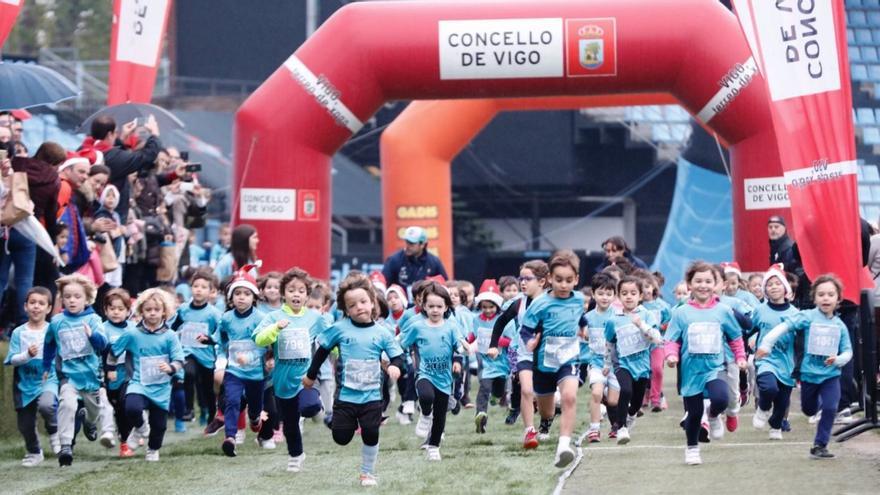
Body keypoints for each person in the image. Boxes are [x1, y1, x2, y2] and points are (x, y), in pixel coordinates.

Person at [303, 272, 405, 487]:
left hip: (372, 397)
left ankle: (367, 473)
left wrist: (395, 366)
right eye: (352, 305)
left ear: (372, 302)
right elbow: (322, 351)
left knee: (370, 433)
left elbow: (397, 355)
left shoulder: (382, 332)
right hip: (346, 396)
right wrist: (311, 376)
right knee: (341, 437)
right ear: (346, 310)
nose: (359, 307)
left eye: (363, 302)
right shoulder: (339, 329)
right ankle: (331, 416)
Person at [756, 275, 853, 460]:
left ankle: (820, 445)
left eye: (830, 294)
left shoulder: (840, 326)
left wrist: (838, 359)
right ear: (814, 298)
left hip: (831, 375)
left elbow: (848, 351)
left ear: (838, 299)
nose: (826, 298)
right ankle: (813, 410)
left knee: (831, 407)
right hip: (809, 375)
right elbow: (784, 326)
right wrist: (767, 344)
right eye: (821, 294)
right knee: (809, 409)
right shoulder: (807, 317)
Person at [665, 261, 747, 465]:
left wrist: (740, 357)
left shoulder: (723, 310)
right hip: (691, 372)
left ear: (716, 284)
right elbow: (672, 339)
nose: (703, 285)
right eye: (698, 281)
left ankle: (713, 415)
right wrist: (671, 356)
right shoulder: (681, 312)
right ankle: (692, 448)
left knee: (721, 398)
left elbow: (735, 337)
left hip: (715, 367)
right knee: (693, 413)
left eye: (708, 281)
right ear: (690, 284)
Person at [254, 267, 328, 472]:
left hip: (306, 376)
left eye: (301, 291)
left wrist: (341, 352)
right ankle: (296, 456)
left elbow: (330, 339)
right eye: (291, 290)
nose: (296, 294)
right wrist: (276, 328)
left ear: (306, 295)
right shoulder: (273, 317)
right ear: (283, 293)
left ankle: (316, 405)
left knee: (310, 407)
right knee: (290, 423)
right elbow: (258, 338)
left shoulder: (314, 318)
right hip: (282, 379)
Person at [520, 250, 585, 468]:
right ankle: (545, 421)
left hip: (569, 359)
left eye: (569, 280)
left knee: (569, 397)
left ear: (576, 279)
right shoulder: (540, 303)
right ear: (549, 278)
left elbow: (580, 317)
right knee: (547, 410)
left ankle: (563, 447)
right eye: (559, 280)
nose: (564, 285)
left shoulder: (578, 300)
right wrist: (530, 341)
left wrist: (584, 329)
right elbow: (526, 329)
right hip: (544, 363)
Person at [41, 273, 110, 466]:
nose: (72, 300)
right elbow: (49, 344)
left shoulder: (94, 320)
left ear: (87, 299)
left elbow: (103, 344)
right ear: (62, 298)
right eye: (67, 296)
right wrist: (46, 366)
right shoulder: (56, 322)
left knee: (95, 411)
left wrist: (92, 336)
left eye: (77, 296)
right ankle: (65, 447)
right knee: (67, 405)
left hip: (91, 377)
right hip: (68, 376)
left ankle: (89, 423)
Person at [112, 288, 184, 462]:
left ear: (164, 312)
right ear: (141, 311)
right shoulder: (132, 334)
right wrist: (110, 367)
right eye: (148, 310)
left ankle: (153, 449)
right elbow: (114, 351)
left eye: (156, 310)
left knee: (159, 425)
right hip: (138, 382)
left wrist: (170, 367)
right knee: (132, 407)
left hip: (161, 387)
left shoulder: (170, 336)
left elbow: (179, 359)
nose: (152, 313)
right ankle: (141, 428)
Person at [400, 281, 464, 461]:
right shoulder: (417, 326)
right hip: (424, 373)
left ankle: (434, 446)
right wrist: (391, 357)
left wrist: (462, 351)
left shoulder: (451, 326)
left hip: (444, 377)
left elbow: (459, 345)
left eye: (439, 306)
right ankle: (425, 413)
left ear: (446, 307)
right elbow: (402, 343)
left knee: (441, 415)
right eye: (431, 306)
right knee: (427, 397)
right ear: (423, 306)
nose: (435, 310)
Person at [488, 260, 549, 429]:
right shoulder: (518, 303)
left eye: (527, 279)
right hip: (524, 354)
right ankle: (529, 430)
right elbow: (500, 322)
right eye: (520, 278)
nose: (522, 282)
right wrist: (493, 345)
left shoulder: (551, 302)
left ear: (542, 281)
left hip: (547, 356)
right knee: (526, 390)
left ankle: (545, 423)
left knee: (546, 397)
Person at [215, 263, 267, 457]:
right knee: (232, 400)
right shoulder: (226, 318)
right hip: (234, 371)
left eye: (246, 293)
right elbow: (220, 339)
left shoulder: (260, 318)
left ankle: (255, 419)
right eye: (237, 294)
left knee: (254, 406)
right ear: (231, 298)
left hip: (255, 372)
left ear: (254, 297)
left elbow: (265, 346)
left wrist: (251, 356)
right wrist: (211, 343)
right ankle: (230, 437)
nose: (241, 297)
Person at [603, 276, 662, 444]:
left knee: (636, 402)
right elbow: (609, 343)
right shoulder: (614, 320)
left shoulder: (647, 315)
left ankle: (630, 415)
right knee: (626, 391)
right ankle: (621, 428)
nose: (629, 297)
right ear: (618, 297)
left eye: (633, 293)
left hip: (642, 366)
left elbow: (658, 339)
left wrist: (641, 325)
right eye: (624, 293)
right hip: (622, 364)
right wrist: (607, 364)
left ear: (640, 296)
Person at [4, 287, 59, 466]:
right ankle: (34, 452)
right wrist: (27, 355)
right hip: (24, 384)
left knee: (47, 406)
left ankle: (54, 431)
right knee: (25, 425)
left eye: (41, 303)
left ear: (49, 308)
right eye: (32, 303)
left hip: (47, 379)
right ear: (25, 306)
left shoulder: (53, 330)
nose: (36, 307)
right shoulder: (19, 332)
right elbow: (12, 359)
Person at [750, 265, 799, 440]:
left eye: (778, 283)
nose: (774, 287)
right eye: (769, 284)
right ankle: (762, 408)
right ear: (765, 290)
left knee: (782, 401)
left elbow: (801, 339)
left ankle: (776, 425)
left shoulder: (795, 314)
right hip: (765, 360)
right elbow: (749, 328)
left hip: (787, 363)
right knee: (769, 388)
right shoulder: (760, 310)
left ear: (785, 288)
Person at [170, 268, 222, 430]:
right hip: (187, 352)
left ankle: (208, 414)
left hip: (206, 357)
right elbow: (173, 327)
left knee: (207, 390)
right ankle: (189, 409)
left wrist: (210, 340)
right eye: (196, 286)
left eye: (203, 287)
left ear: (211, 291)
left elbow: (220, 333)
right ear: (191, 288)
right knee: (189, 373)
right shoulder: (183, 309)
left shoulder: (213, 313)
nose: (199, 290)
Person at [84, 115, 162, 223]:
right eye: (115, 132)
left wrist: (121, 138)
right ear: (109, 134)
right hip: (109, 215)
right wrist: (154, 134)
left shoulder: (84, 149)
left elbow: (108, 149)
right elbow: (146, 156)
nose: (117, 135)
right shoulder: (114, 157)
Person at [467, 280, 512, 435]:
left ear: (497, 307)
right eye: (484, 307)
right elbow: (474, 335)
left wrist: (497, 340)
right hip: (485, 364)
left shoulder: (503, 320)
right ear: (479, 306)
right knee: (484, 388)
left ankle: (497, 395)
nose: (487, 310)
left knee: (499, 389)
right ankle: (481, 417)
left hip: (501, 364)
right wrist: (467, 342)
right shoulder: (476, 320)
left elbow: (511, 340)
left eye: (491, 307)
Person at [580, 273, 620, 443]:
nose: (605, 297)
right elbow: (582, 340)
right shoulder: (587, 318)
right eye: (601, 293)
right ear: (594, 294)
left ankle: (616, 425)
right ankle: (594, 429)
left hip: (615, 366)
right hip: (596, 363)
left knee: (612, 401)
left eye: (609, 293)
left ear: (614, 295)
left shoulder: (619, 316)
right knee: (596, 393)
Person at [102, 288, 137, 457]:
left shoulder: (133, 328)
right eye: (112, 308)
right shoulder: (103, 329)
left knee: (126, 403)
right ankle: (123, 436)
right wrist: (109, 369)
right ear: (106, 310)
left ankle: (126, 442)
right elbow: (102, 350)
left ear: (128, 311)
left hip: (128, 373)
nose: (116, 312)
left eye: (120, 309)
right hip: (109, 375)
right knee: (117, 408)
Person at [381, 226, 449, 290]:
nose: (407, 246)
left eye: (411, 243)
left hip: (425, 301)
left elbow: (444, 285)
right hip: (401, 301)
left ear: (422, 244)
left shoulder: (434, 262)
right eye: (407, 242)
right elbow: (383, 282)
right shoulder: (394, 260)